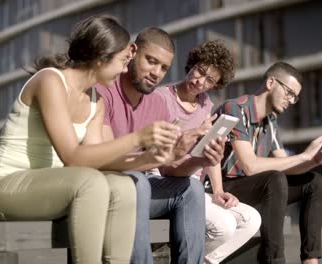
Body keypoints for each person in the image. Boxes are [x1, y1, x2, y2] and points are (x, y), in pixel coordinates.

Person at [0, 15, 179, 264]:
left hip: (53, 188)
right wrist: (137, 137)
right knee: (91, 182)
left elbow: (100, 160)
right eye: (121, 61)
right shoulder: (50, 81)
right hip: (4, 186)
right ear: (100, 57)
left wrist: (152, 157)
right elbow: (73, 157)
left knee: (124, 186)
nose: (124, 69)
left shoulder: (96, 102)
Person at [96, 28, 225, 264]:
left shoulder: (157, 104)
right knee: (139, 183)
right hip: (104, 190)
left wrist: (200, 160)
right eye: (151, 61)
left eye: (164, 68)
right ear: (133, 52)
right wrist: (156, 155)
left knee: (192, 189)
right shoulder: (106, 90)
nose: (156, 73)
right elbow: (103, 161)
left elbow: (168, 169)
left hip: (139, 191)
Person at [213, 61, 322, 264]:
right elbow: (250, 166)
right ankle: (275, 261)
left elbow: (286, 166)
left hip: (257, 187)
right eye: (289, 93)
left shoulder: (271, 122)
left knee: (315, 182)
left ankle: (311, 261)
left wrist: (317, 159)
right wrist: (304, 155)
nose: (291, 101)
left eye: (295, 97)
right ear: (271, 82)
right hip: (226, 187)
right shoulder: (235, 109)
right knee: (274, 179)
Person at [155, 40, 261, 264]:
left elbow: (211, 152)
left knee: (251, 219)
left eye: (209, 80)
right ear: (192, 65)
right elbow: (162, 160)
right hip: (168, 180)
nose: (200, 82)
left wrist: (218, 190)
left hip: (195, 185)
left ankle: (204, 260)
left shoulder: (206, 104)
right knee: (224, 226)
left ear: (216, 85)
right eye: (200, 71)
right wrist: (196, 132)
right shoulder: (161, 98)